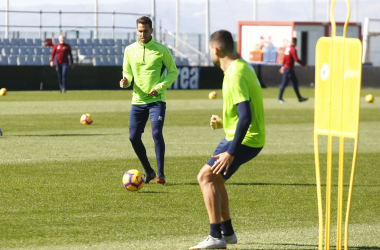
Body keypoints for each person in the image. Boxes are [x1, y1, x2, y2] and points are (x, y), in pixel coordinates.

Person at [190, 30, 265, 250]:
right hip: (247, 136)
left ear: (215, 50)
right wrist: (225, 122)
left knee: (205, 177)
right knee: (216, 180)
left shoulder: (235, 74)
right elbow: (244, 113)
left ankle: (215, 237)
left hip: (245, 139)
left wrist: (231, 152)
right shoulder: (242, 67)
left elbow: (247, 117)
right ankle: (228, 233)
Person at [119, 16, 178, 185]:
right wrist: (125, 81)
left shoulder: (161, 50)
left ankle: (160, 174)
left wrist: (159, 87)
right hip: (137, 101)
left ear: (151, 30)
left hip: (157, 100)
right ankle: (149, 170)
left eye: (145, 31)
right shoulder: (130, 50)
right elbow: (127, 72)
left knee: (156, 133)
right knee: (133, 137)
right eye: (139, 31)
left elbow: (173, 72)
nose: (142, 34)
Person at [278, 37, 309, 103]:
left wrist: (282, 67)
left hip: (288, 69)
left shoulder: (287, 48)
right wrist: (304, 65)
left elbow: (284, 59)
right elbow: (296, 59)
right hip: (288, 69)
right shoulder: (293, 49)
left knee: (295, 83)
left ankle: (299, 98)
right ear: (295, 42)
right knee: (284, 83)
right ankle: (280, 98)